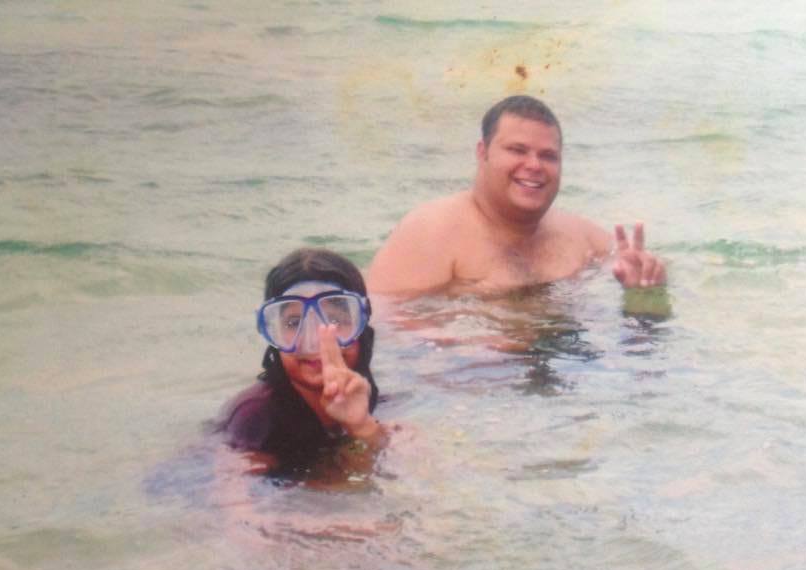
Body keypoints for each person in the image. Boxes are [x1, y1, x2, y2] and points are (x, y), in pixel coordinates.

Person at [367, 95, 667, 296]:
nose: (534, 166)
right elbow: (383, 332)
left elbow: (638, 293)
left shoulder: (584, 238)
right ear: (482, 152)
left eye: (548, 156)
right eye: (517, 150)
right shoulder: (431, 232)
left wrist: (645, 292)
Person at [213, 248, 387, 475]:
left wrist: (361, 426)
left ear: (361, 325)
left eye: (334, 319)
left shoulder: (367, 399)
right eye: (294, 323)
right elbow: (236, 505)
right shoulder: (255, 418)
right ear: (270, 330)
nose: (313, 342)